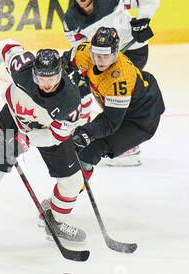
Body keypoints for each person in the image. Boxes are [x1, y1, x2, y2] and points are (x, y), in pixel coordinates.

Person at [0, 39, 93, 244]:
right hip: (12, 120)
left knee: (72, 181)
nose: (46, 84)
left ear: (60, 73)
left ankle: (55, 221)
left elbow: (57, 136)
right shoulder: (22, 68)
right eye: (41, 78)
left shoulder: (70, 102)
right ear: (33, 72)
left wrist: (25, 140)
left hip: (47, 132)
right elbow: (6, 46)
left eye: (51, 78)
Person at [63, 0, 161, 166]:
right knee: (96, 88)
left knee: (116, 90)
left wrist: (143, 20)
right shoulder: (70, 20)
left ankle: (126, 142)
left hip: (133, 52)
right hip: (102, 58)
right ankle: (95, 129)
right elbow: (84, 51)